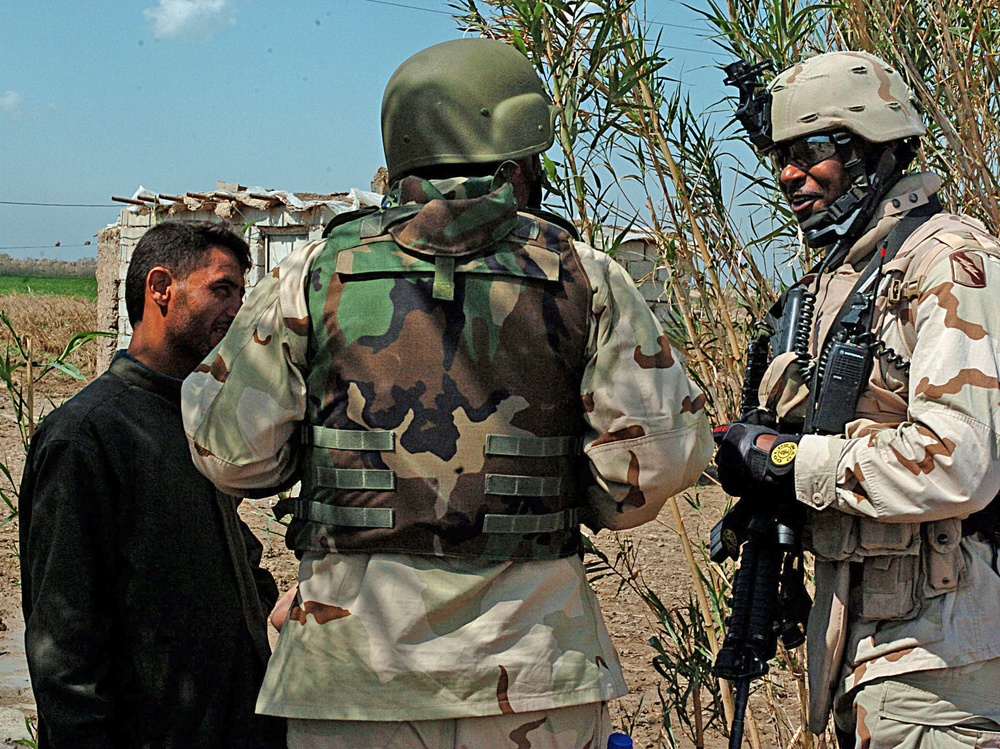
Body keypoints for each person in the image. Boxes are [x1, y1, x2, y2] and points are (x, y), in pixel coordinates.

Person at [182, 38, 713, 749]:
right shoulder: (587, 275)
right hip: (532, 669)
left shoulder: (313, 272)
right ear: (518, 161)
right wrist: (562, 491)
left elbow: (230, 454)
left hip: (354, 678)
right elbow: (657, 462)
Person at [715, 51, 1000, 746]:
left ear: (872, 147)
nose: (789, 174)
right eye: (781, 155)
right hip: (874, 649)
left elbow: (961, 459)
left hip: (943, 654)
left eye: (810, 150)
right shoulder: (849, 276)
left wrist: (790, 460)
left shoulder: (948, 262)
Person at [20, 220, 286, 749]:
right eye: (222, 289)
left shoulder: (198, 419)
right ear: (161, 288)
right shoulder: (86, 434)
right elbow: (63, 641)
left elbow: (224, 559)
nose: (237, 310)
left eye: (242, 293)